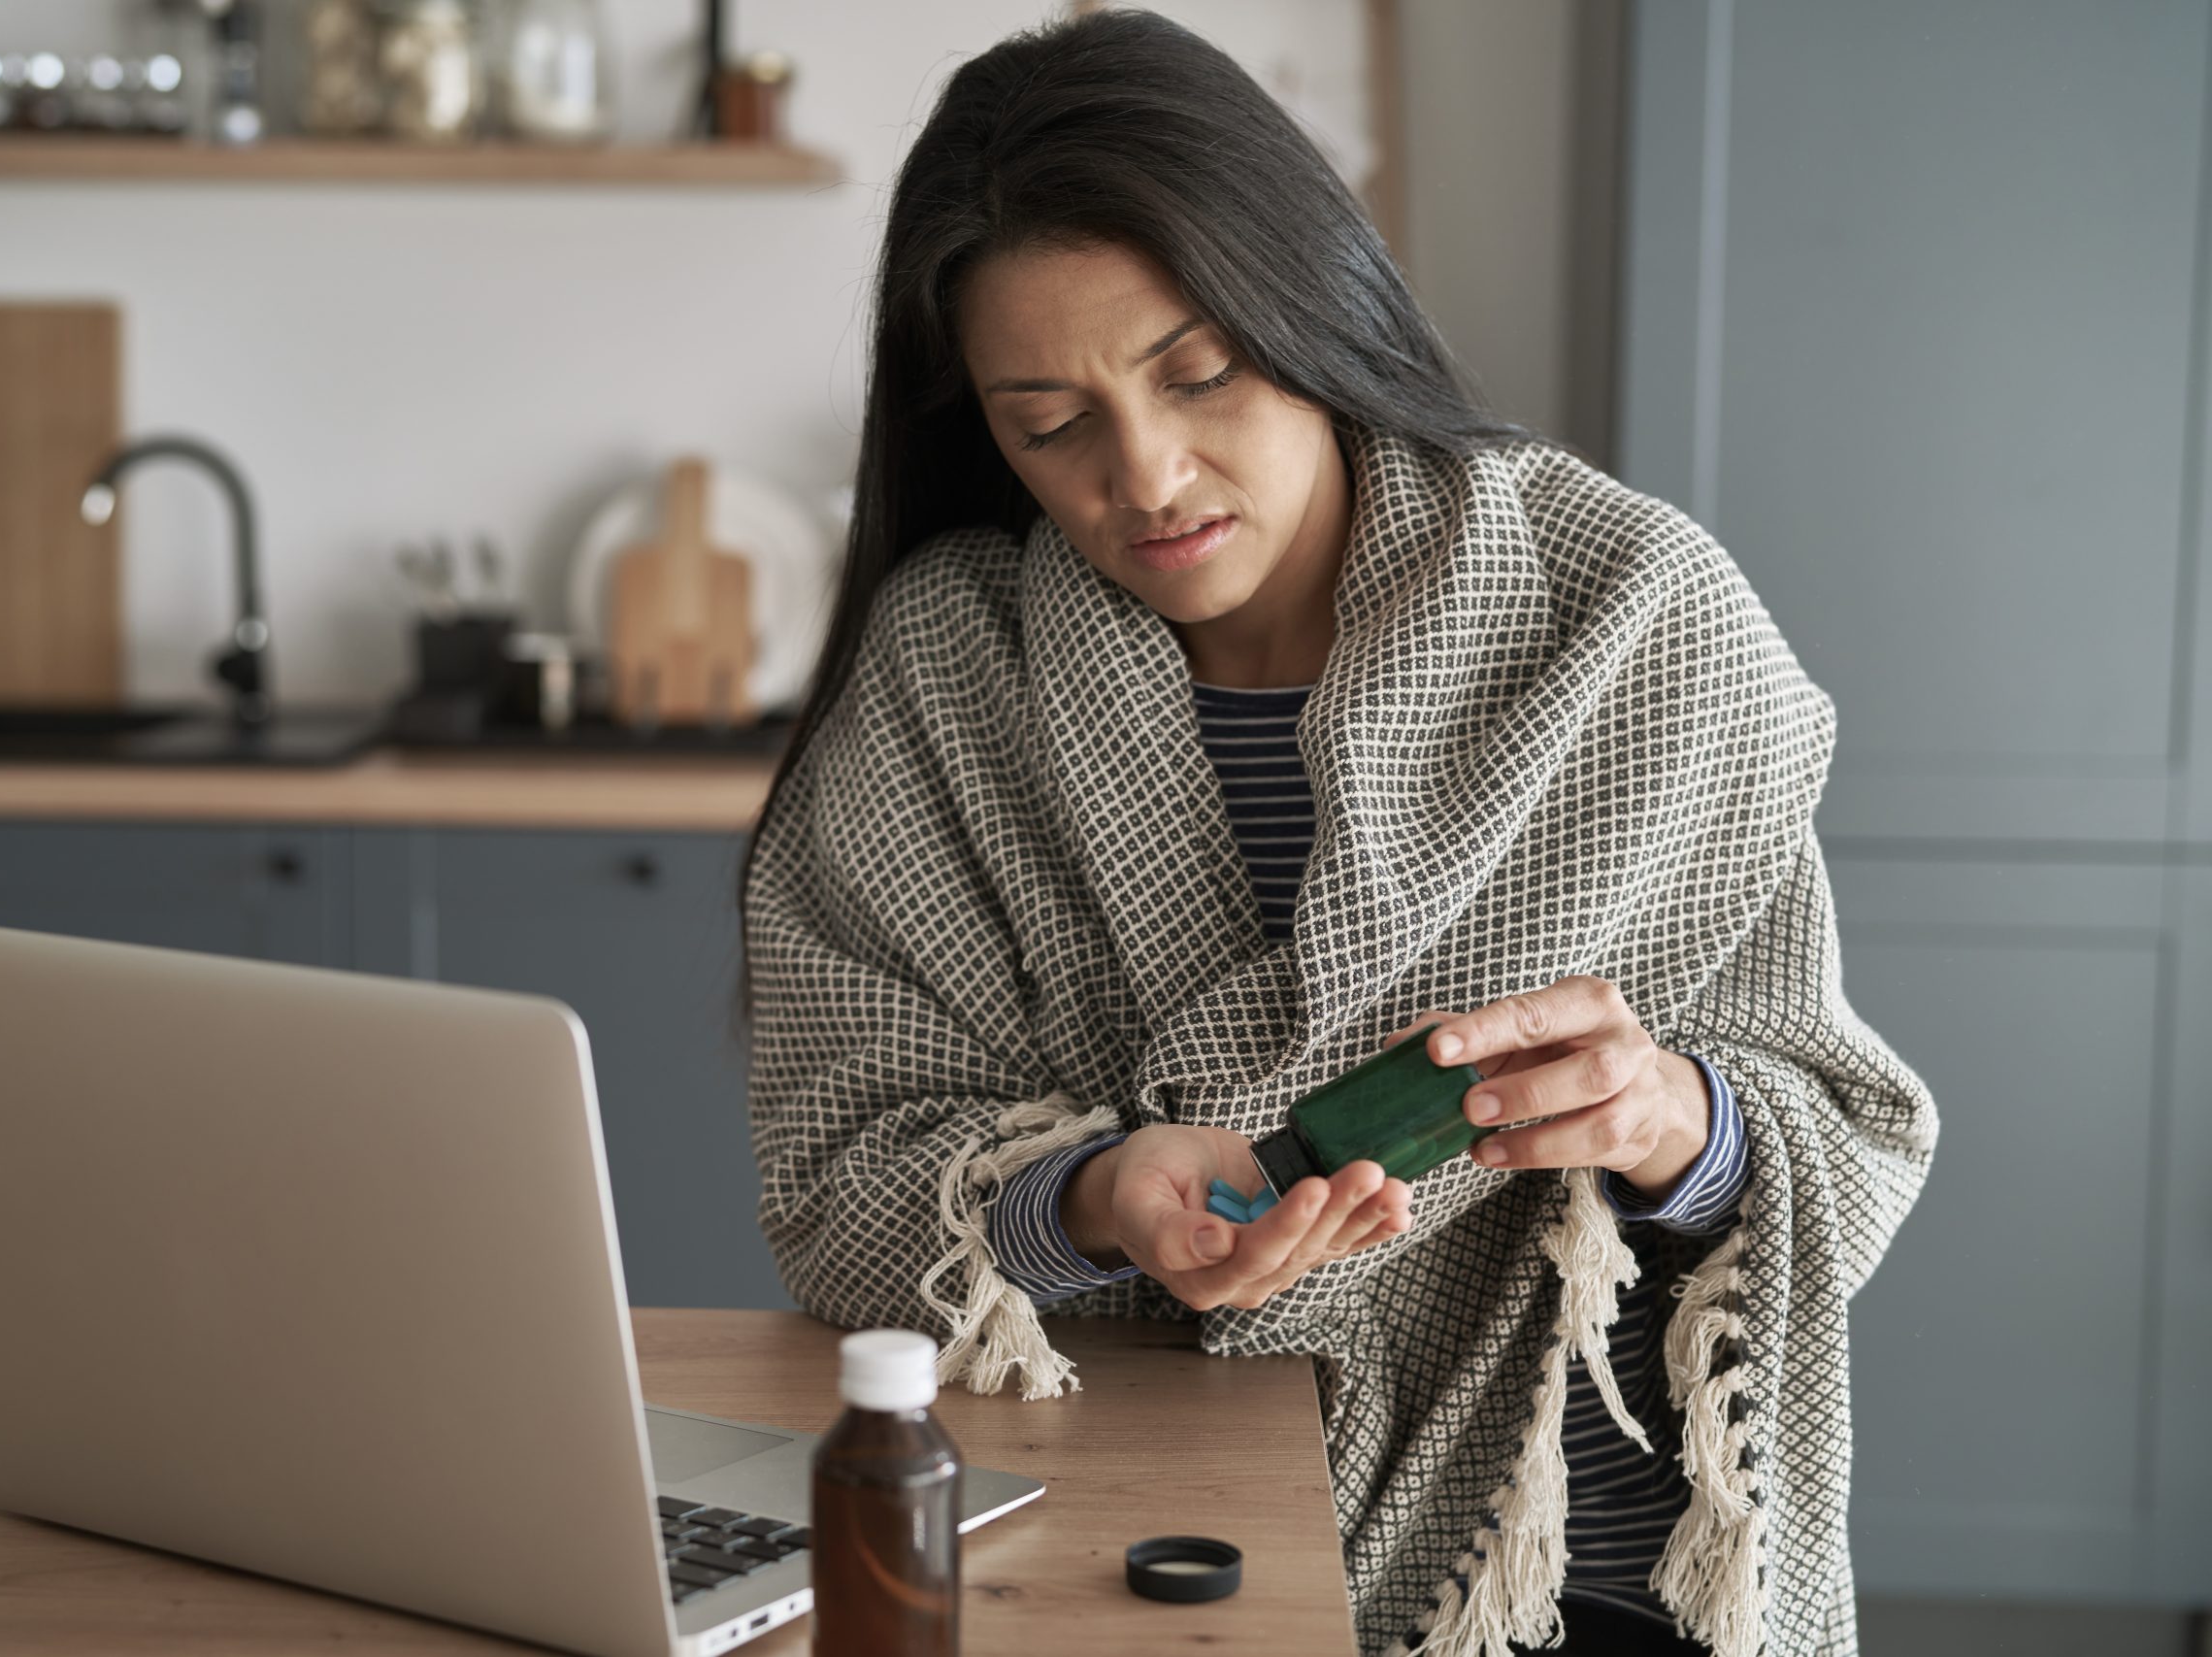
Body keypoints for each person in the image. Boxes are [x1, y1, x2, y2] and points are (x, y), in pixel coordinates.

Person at [738, 12, 1937, 1656]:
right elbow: (834, 1174)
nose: (1145, 476)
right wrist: (1090, 1198)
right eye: (1050, 420)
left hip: (1581, 1559)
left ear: (1309, 304)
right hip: (1141, 1531)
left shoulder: (1630, 623)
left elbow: (1847, 1139)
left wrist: (1668, 1118)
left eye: (1197, 371)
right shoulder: (954, 676)